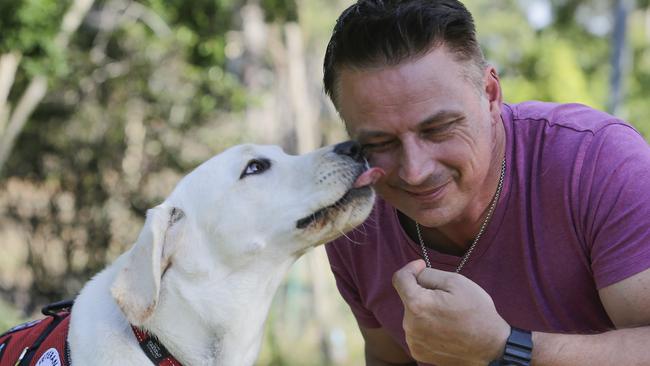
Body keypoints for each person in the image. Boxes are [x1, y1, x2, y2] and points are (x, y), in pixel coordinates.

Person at [322, 1, 650, 365]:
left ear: (491, 93)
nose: (415, 171)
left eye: (439, 128)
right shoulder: (356, 213)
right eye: (379, 143)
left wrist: (506, 346)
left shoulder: (595, 161)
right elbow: (388, 358)